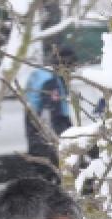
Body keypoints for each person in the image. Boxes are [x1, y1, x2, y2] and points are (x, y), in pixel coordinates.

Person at [24, 44, 77, 179]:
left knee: (41, 179)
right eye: (71, 66)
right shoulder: (51, 82)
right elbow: (54, 115)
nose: (72, 71)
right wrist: (68, 140)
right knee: (54, 179)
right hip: (46, 141)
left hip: (34, 133)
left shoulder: (41, 74)